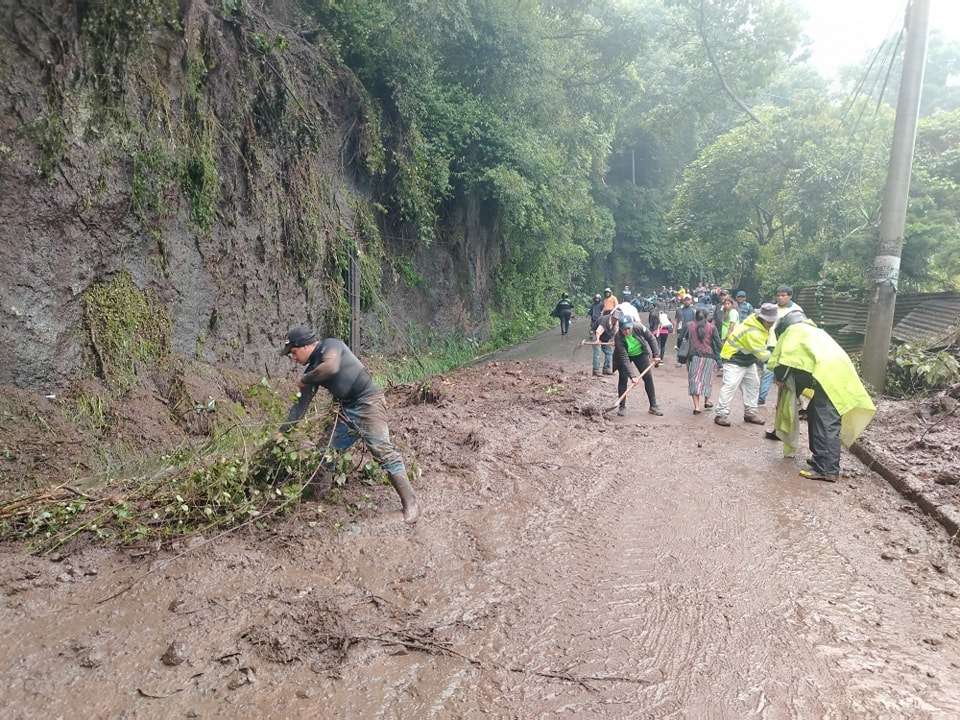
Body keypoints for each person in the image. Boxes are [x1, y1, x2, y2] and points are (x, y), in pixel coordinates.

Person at [279, 327, 420, 522]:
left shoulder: (330, 346)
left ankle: (411, 503)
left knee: (383, 452)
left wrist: (304, 379)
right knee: (326, 452)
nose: (293, 358)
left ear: (305, 345)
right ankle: (318, 498)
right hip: (346, 410)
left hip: (368, 403)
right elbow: (299, 408)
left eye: (293, 352)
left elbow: (331, 367)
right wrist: (281, 434)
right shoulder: (311, 371)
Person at [767, 311, 875, 482]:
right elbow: (802, 365)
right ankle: (821, 459)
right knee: (816, 414)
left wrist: (781, 380)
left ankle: (827, 469)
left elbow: (785, 364)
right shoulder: (813, 332)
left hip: (831, 379)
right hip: (835, 375)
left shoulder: (793, 332)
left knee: (825, 421)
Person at [713, 303, 779, 427]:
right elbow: (763, 355)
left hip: (748, 359)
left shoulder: (757, 324)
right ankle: (721, 414)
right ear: (763, 318)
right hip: (734, 358)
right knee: (730, 386)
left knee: (753, 385)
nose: (772, 324)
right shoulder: (753, 331)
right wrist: (777, 359)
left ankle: (750, 413)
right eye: (770, 321)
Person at [758, 285, 804, 406]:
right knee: (767, 370)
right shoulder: (772, 308)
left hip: (788, 346)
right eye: (778, 295)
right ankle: (761, 398)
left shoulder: (796, 310)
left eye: (783, 295)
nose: (780, 298)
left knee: (785, 375)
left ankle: (790, 400)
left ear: (790, 296)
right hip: (771, 344)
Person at [613, 317, 662, 417]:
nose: (626, 331)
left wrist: (656, 355)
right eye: (624, 329)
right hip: (625, 355)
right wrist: (633, 376)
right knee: (623, 378)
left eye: (628, 328)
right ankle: (622, 407)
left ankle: (653, 406)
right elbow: (624, 357)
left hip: (640, 354)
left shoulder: (638, 327)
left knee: (648, 378)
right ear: (620, 329)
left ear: (631, 326)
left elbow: (651, 338)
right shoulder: (618, 337)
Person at [677, 309, 721, 414]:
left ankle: (697, 407)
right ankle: (707, 400)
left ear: (695, 316)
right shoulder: (712, 327)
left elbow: (680, 339)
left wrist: (681, 348)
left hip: (693, 357)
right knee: (706, 380)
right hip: (709, 357)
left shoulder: (689, 325)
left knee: (694, 381)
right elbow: (718, 344)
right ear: (706, 317)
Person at [594, 310, 619, 376]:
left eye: (617, 319)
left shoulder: (616, 323)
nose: (615, 320)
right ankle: (596, 371)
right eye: (614, 319)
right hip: (596, 334)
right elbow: (598, 332)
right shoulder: (605, 321)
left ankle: (606, 369)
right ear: (611, 317)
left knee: (609, 352)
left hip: (605, 337)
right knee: (597, 352)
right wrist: (597, 340)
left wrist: (615, 341)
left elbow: (616, 333)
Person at [673, 294, 696, 364]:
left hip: (690, 330)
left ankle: (690, 359)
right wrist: (674, 330)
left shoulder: (693, 311)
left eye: (688, 300)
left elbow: (695, 321)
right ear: (683, 301)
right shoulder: (679, 310)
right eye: (685, 300)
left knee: (690, 344)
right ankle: (679, 360)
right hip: (681, 330)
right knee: (680, 343)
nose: (687, 301)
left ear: (691, 301)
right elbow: (676, 320)